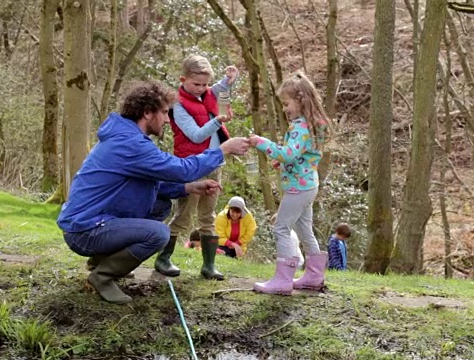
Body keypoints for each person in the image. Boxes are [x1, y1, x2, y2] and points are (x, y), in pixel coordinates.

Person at [56, 80, 250, 304]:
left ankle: (101, 260)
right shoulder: (131, 144)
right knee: (158, 234)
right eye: (165, 113)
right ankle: (102, 277)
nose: (168, 120)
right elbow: (182, 169)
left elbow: (151, 182)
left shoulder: (128, 138)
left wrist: (188, 188)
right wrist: (223, 149)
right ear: (148, 113)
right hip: (85, 230)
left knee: (161, 205)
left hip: (90, 222)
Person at [156, 54, 239, 281]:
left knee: (208, 216)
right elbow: (195, 135)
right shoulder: (178, 105)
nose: (202, 89)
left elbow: (219, 90)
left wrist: (230, 79)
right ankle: (164, 257)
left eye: (205, 84)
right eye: (196, 84)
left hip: (214, 163)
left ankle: (209, 265)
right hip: (190, 166)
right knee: (183, 214)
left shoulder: (207, 93)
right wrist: (218, 121)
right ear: (183, 79)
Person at [249, 72, 330, 295]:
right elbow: (303, 155)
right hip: (309, 185)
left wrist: (263, 143)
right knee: (304, 229)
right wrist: (282, 163)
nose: (284, 109)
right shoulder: (313, 125)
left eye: (286, 103)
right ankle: (314, 276)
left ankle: (283, 280)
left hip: (298, 188)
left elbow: (289, 154)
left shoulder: (300, 127)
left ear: (300, 101)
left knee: (281, 229)